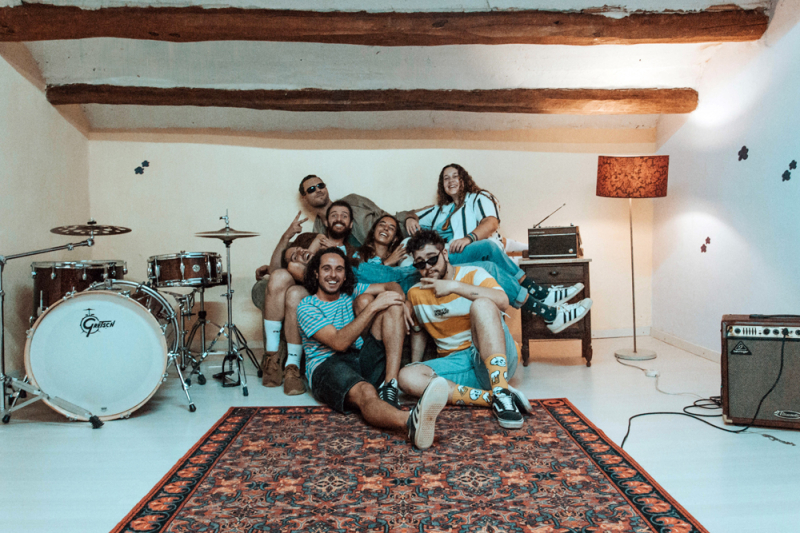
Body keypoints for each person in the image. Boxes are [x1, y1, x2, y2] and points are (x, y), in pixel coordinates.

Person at [407, 163, 591, 333]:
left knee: (489, 265)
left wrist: (469, 238)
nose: (451, 181)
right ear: (442, 185)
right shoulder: (440, 209)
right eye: (446, 178)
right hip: (447, 260)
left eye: (455, 176)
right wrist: (409, 218)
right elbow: (412, 213)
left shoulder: (478, 197)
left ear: (464, 179)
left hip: (462, 256)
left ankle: (547, 309)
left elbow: (491, 222)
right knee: (488, 248)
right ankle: (542, 299)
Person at [297, 247, 450, 450]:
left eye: (339, 269)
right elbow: (338, 342)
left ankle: (390, 385)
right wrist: (373, 306)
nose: (333, 275)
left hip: (359, 358)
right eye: (326, 269)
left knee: (392, 305)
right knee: (366, 391)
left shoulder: (351, 291)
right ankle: (410, 420)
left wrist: (402, 301)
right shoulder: (307, 306)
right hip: (326, 365)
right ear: (316, 273)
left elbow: (391, 285)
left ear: (345, 275)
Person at [397, 230, 541, 429]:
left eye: (432, 259)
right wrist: (417, 365)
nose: (428, 267)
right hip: (457, 365)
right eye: (420, 264)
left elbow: (502, 301)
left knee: (482, 304)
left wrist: (453, 286)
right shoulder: (416, 293)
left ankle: (500, 388)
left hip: (490, 355)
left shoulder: (473, 273)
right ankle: (493, 397)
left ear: (445, 254)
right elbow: (418, 332)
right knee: (406, 376)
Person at [256, 200, 358, 394]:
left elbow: (350, 281)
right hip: (292, 284)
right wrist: (287, 237)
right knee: (278, 276)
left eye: (344, 216)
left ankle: (292, 366)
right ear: (326, 221)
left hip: (317, 294)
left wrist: (333, 252)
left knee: (295, 294)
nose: (339, 219)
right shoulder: (307, 238)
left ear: (350, 224)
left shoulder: (352, 252)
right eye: (334, 215)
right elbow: (275, 268)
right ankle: (272, 357)